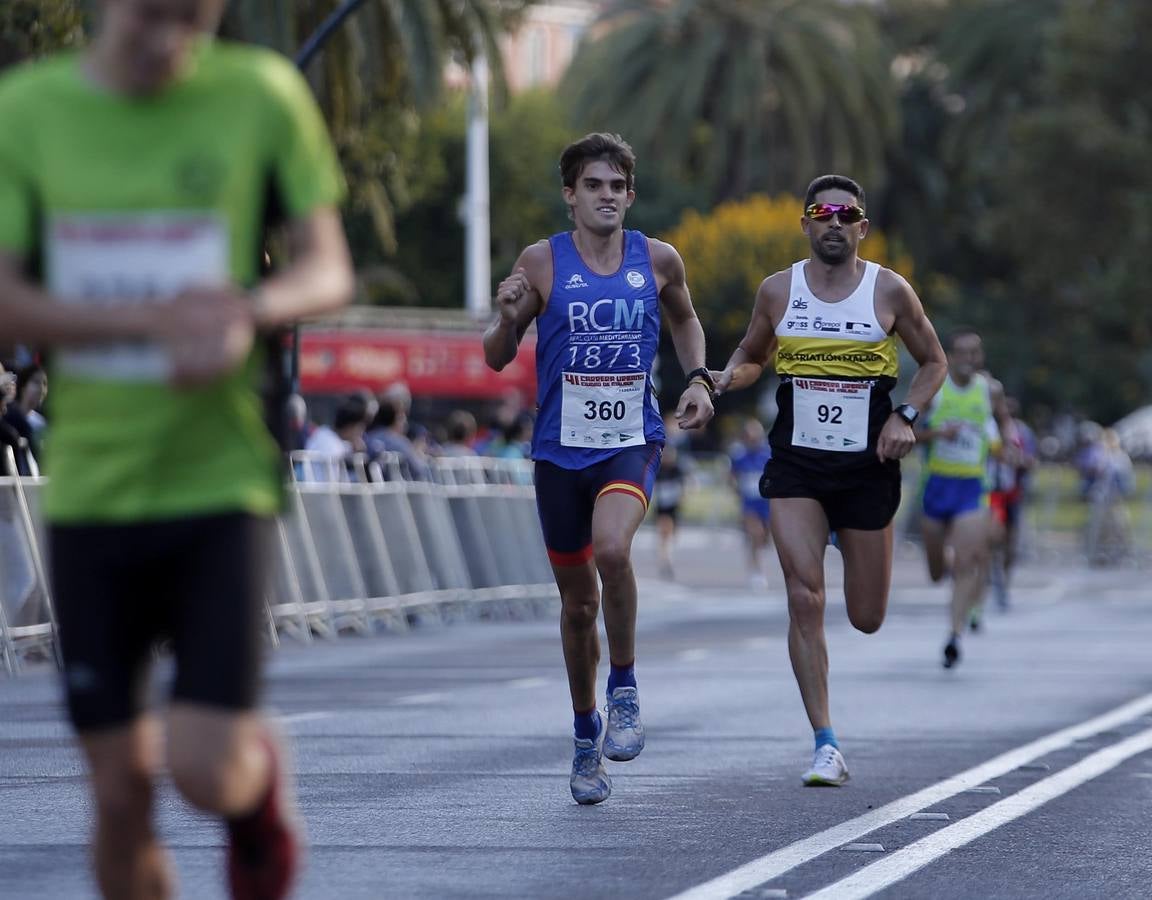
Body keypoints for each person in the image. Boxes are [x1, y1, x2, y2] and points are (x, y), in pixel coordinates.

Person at [0, 2, 355, 898]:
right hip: (92, 491)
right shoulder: (29, 111)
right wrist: (148, 322)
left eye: (199, 12)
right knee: (118, 793)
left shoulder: (261, 96)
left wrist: (249, 311)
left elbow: (327, 268)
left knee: (201, 768)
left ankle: (255, 777)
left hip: (221, 482)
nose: (177, 29)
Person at [483, 132, 714, 805]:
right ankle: (586, 733)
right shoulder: (542, 263)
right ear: (570, 195)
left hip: (628, 442)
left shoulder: (658, 259)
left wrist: (697, 379)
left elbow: (687, 320)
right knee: (577, 606)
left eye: (617, 186)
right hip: (558, 452)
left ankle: (625, 689)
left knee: (613, 549)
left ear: (630, 194)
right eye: (594, 185)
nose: (607, 197)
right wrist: (503, 320)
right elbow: (497, 357)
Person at [713, 174, 946, 786]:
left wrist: (907, 415)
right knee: (804, 596)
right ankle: (825, 742)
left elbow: (935, 362)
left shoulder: (890, 291)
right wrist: (715, 380)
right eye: (823, 213)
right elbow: (751, 356)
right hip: (798, 463)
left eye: (847, 215)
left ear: (862, 227)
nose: (835, 223)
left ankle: (846, 532)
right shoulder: (777, 291)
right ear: (807, 224)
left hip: (868, 466)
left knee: (866, 616)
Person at [916, 329, 1002, 668]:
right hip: (937, 486)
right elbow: (909, 433)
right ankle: (947, 570)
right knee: (938, 572)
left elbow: (1004, 426)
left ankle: (954, 635)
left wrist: (1007, 448)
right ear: (950, 355)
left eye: (975, 353)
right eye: (963, 353)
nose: (969, 359)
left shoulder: (990, 390)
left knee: (968, 561)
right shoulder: (935, 387)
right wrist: (938, 433)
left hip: (971, 487)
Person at [729, 417, 774, 589]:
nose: (752, 437)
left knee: (766, 537)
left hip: (767, 502)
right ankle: (757, 572)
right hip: (749, 503)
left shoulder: (768, 453)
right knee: (756, 534)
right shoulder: (739, 455)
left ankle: (759, 544)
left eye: (755, 434)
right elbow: (732, 475)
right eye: (748, 434)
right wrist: (736, 489)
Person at [653, 413, 690, 581]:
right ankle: (665, 559)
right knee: (664, 531)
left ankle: (667, 555)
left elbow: (685, 481)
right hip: (662, 503)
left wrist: (684, 493)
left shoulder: (678, 466)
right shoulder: (659, 465)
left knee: (672, 533)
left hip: (674, 502)